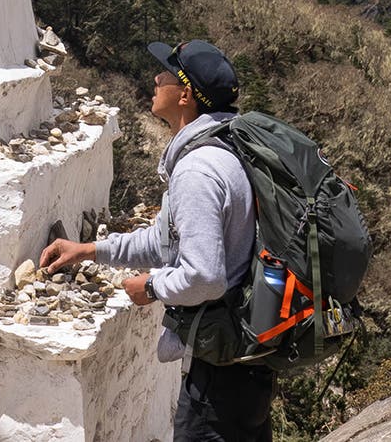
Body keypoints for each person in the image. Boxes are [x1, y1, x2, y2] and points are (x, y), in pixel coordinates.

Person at [40, 40, 274, 442]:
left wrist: (150, 286)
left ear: (184, 95)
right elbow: (167, 241)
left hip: (221, 378)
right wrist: (91, 250)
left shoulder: (198, 171)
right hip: (241, 366)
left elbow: (205, 276)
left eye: (165, 74)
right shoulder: (220, 151)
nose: (155, 78)